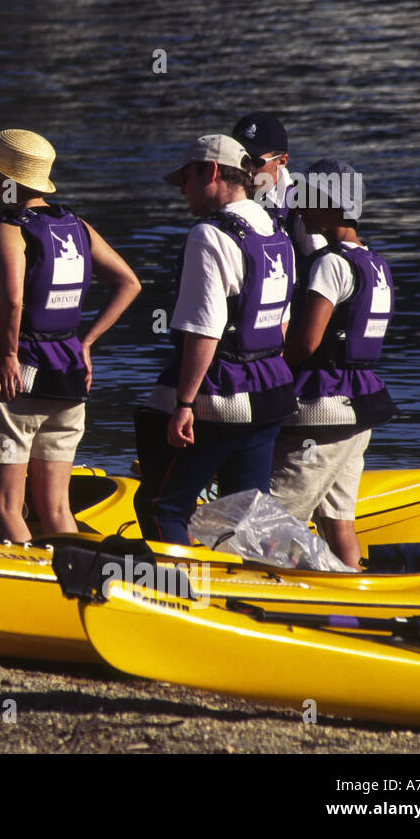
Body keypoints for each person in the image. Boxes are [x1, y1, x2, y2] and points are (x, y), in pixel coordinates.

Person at [0, 130, 140, 543]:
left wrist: (9, 355)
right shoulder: (77, 225)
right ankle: (72, 582)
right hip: (69, 375)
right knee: (56, 508)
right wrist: (85, 343)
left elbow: (13, 300)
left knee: (5, 508)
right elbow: (129, 282)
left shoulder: (8, 227)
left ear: (10, 182)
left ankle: (29, 590)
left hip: (16, 380)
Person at [133, 135, 296, 545]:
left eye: (186, 177)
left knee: (161, 506)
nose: (182, 189)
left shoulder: (208, 235)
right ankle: (245, 596)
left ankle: (175, 597)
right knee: (243, 517)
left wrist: (184, 404)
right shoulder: (277, 233)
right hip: (272, 392)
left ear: (210, 172)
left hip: (222, 399)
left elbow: (205, 327)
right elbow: (279, 327)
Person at [268, 159, 395, 570]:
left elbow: (306, 342)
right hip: (361, 409)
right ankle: (355, 595)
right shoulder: (376, 264)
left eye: (307, 200)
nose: (300, 209)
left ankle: (271, 593)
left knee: (272, 519)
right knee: (339, 521)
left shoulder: (330, 263)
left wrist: (265, 370)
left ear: (329, 206)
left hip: (321, 410)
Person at [232, 112, 326, 260]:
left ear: (282, 161)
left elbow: (323, 264)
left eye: (256, 162)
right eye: (240, 161)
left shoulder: (302, 208)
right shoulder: (222, 200)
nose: (246, 169)